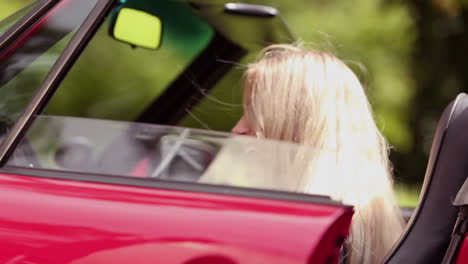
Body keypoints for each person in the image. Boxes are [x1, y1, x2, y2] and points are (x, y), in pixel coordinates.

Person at [229, 43, 405, 264]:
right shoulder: (357, 227)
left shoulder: (308, 236)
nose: (237, 128)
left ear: (300, 129)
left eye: (256, 113)